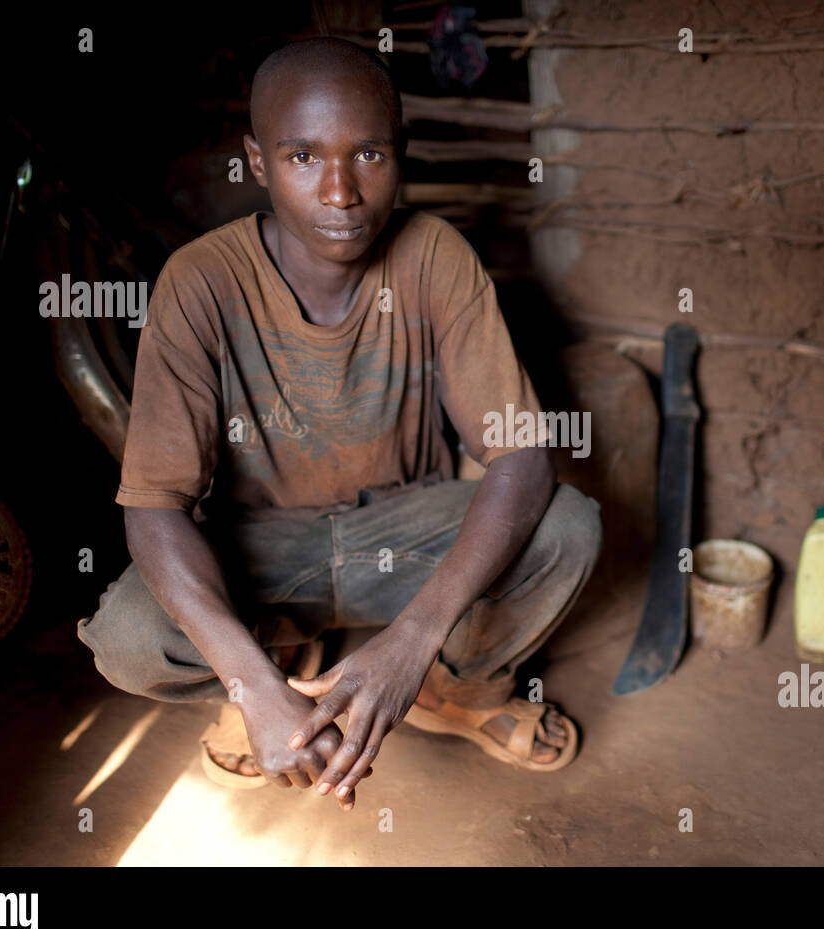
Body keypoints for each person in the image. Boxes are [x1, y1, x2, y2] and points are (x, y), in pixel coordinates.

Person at [77, 37, 602, 810]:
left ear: (402, 153)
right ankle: (264, 682)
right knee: (128, 637)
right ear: (257, 162)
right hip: (260, 548)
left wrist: (413, 645)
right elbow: (154, 507)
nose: (340, 192)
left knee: (568, 525)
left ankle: (454, 687)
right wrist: (250, 684)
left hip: (403, 530)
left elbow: (521, 460)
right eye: (301, 157)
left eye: (368, 155)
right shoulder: (200, 282)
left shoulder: (435, 257)